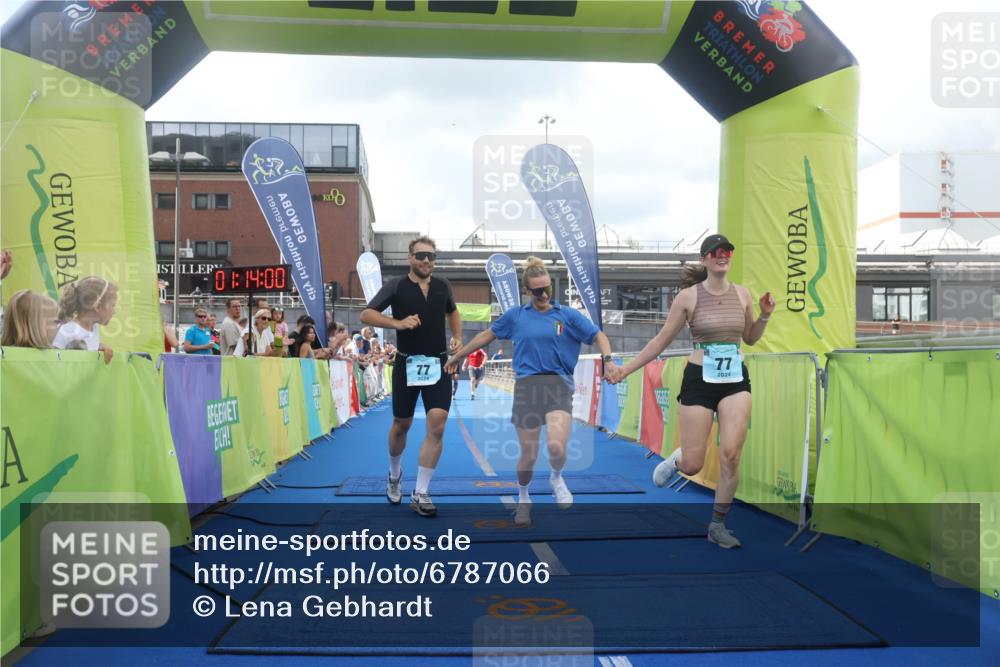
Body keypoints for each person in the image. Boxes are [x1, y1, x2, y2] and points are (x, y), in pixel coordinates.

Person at [607, 234, 775, 549]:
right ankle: (680, 458)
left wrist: (765, 314)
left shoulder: (743, 294)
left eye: (727, 251)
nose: (722, 256)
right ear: (704, 259)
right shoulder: (687, 297)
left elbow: (751, 338)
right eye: (715, 252)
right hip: (699, 378)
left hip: (735, 378)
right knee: (694, 464)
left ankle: (718, 525)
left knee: (732, 454)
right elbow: (659, 342)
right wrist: (624, 370)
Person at [446, 257, 613, 527]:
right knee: (529, 456)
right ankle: (524, 498)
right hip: (527, 388)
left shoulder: (567, 315)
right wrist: (458, 356)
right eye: (537, 291)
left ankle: (556, 477)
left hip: (559, 386)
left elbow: (599, 336)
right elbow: (485, 337)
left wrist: (608, 360)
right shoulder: (516, 316)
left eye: (547, 288)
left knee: (557, 447)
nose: (544, 294)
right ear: (527, 291)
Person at [360, 236, 462, 517]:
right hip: (407, 365)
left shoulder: (443, 286)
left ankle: (421, 491)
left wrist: (457, 337)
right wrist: (397, 323)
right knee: (401, 424)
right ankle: (394, 475)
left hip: (439, 364)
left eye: (430, 256)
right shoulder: (396, 286)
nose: (426, 260)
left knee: (438, 425)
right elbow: (366, 315)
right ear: (410, 258)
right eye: (420, 256)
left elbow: (453, 312)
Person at [52, 276, 117, 364]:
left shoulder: (94, 328)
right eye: (112, 305)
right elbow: (51, 362)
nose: (114, 311)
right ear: (98, 306)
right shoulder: (66, 331)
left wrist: (98, 347)